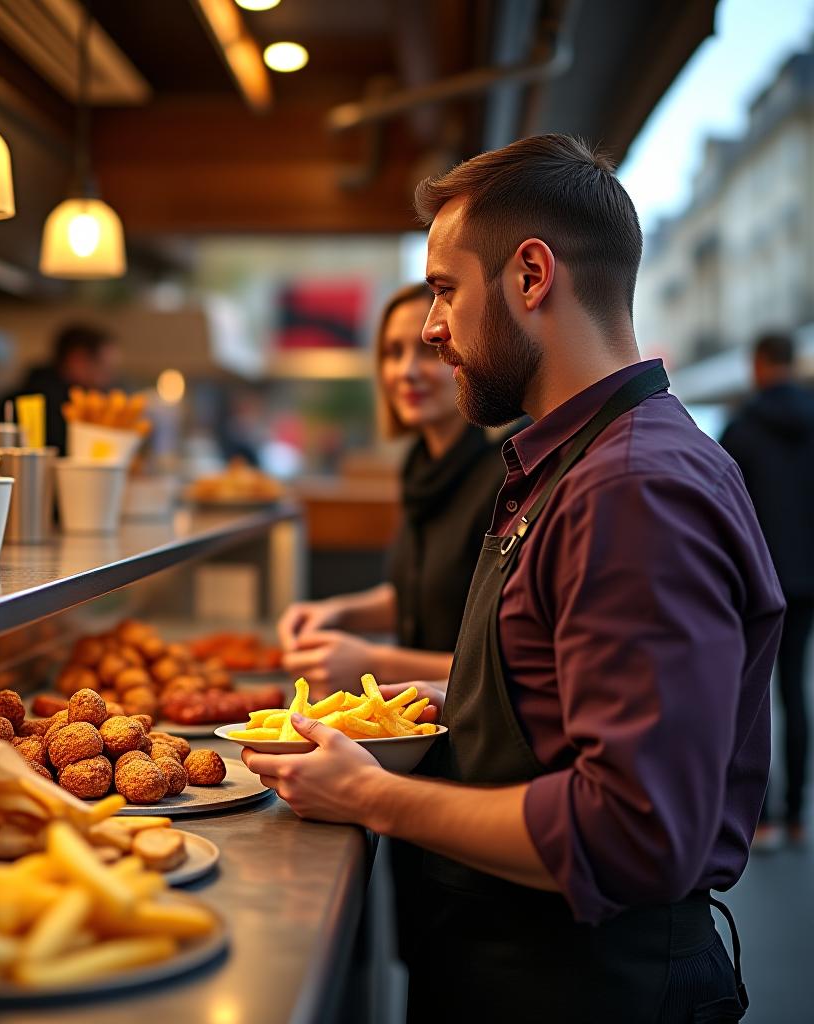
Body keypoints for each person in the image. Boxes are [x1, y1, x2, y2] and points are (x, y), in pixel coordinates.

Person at [242, 134, 784, 1024]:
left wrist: (373, 794)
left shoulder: (632, 488)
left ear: (531, 276)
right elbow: (556, 691)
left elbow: (636, 831)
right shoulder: (575, 461)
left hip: (586, 987)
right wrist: (432, 695)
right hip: (514, 964)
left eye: (445, 291)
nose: (428, 328)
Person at [277, 284, 508, 695]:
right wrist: (337, 612)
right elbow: (424, 595)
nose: (406, 371)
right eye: (392, 353)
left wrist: (373, 663)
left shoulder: (505, 476)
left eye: (426, 351)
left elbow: (504, 667)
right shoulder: (421, 465)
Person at [721, 333, 814, 849]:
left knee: (752, 695)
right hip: (807, 578)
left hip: (758, 579)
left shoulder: (745, 426)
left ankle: (761, 814)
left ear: (759, 364)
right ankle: (798, 811)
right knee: (795, 691)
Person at [8, 323, 120, 450]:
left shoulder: (78, 399)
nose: (109, 379)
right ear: (77, 360)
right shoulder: (48, 403)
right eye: (104, 369)